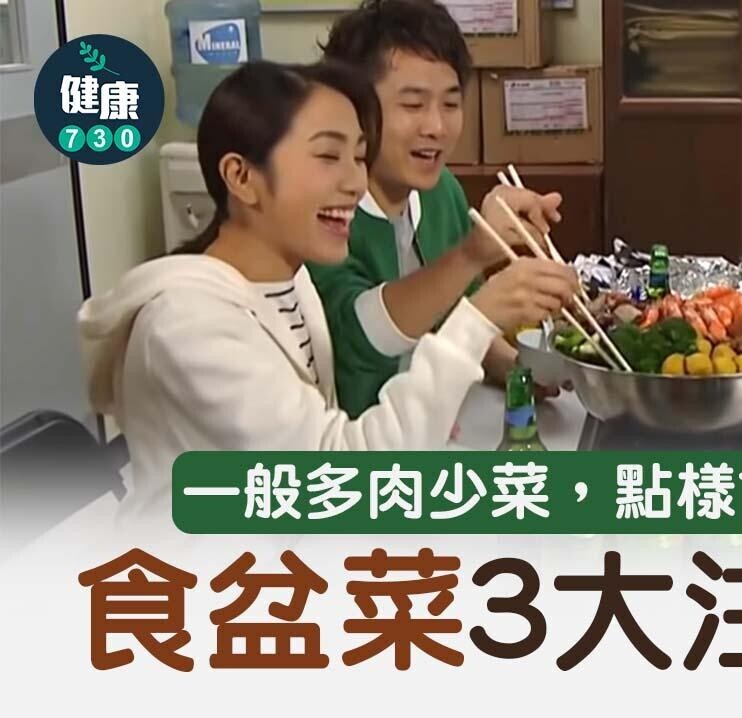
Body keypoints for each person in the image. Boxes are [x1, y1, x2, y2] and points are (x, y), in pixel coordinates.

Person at [77, 61, 577, 521]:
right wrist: (476, 320)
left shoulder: (292, 280)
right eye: (327, 156)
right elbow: (340, 478)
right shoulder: (187, 326)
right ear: (242, 177)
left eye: (358, 157)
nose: (355, 182)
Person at [311, 0, 563, 417]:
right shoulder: (323, 212)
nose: (437, 127)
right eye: (413, 105)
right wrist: (472, 253)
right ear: (352, 109)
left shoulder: (441, 190)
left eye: (450, 103)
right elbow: (360, 337)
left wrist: (515, 368)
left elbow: (457, 314)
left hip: (444, 416)